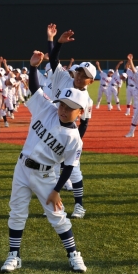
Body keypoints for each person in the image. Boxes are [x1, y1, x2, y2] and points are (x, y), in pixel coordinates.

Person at [1, 49, 88, 274]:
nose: (63, 109)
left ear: (80, 112)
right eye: (62, 104)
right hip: (22, 168)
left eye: (70, 108)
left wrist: (57, 190)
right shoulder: (47, 109)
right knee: (17, 212)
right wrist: (32, 67)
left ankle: (73, 255)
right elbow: (34, 88)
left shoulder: (74, 139)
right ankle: (14, 255)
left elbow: (69, 167)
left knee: (57, 217)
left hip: (46, 175)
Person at [46, 25, 96, 218]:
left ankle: (79, 206)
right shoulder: (63, 78)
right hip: (50, 125)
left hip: (69, 134)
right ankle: (52, 205)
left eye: (86, 77)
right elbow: (53, 59)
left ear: (91, 82)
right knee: (49, 168)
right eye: (80, 73)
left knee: (73, 171)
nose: (81, 77)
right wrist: (54, 41)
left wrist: (77, 141)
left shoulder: (87, 101)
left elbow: (84, 123)